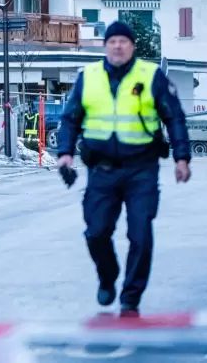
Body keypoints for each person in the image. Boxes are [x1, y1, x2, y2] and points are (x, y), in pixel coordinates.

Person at [56, 20, 191, 317]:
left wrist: (182, 157)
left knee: (141, 234)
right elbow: (70, 119)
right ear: (105, 46)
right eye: (112, 41)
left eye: (123, 41)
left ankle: (131, 297)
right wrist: (64, 154)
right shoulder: (88, 77)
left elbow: (175, 118)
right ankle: (108, 275)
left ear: (132, 46)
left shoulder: (151, 76)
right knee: (96, 232)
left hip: (141, 169)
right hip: (102, 171)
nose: (118, 46)